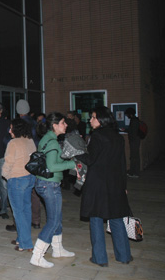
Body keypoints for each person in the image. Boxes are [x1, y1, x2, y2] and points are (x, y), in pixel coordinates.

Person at [76, 106, 133, 267]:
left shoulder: (97, 136)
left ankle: (99, 258)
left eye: (93, 117)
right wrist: (124, 185)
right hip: (115, 183)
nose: (91, 120)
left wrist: (76, 152)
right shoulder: (118, 137)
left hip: (98, 184)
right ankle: (124, 256)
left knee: (96, 218)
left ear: (101, 119)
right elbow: (122, 164)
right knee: (116, 218)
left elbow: (90, 159)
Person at [31, 112, 77, 268]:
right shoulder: (51, 142)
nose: (66, 125)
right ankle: (37, 256)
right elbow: (52, 166)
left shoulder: (46, 139)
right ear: (55, 125)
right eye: (63, 122)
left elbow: (51, 160)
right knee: (53, 221)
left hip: (45, 183)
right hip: (49, 184)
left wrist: (66, 159)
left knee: (56, 217)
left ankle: (57, 249)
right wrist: (72, 165)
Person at [2, 118, 37, 252]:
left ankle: (26, 244)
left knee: (18, 212)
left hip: (16, 179)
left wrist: (5, 175)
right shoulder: (30, 141)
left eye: (11, 128)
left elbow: (9, 162)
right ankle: (21, 238)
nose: (9, 131)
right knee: (26, 210)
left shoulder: (14, 143)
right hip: (29, 178)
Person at [16, 99, 42, 230]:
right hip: (35, 158)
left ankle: (22, 221)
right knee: (34, 191)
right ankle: (36, 221)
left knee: (21, 191)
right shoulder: (35, 123)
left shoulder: (19, 124)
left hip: (22, 160)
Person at [125, 107, 141, 178]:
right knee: (135, 156)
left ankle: (134, 172)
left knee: (134, 156)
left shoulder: (133, 121)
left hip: (134, 141)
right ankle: (134, 171)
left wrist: (126, 130)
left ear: (130, 114)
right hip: (136, 141)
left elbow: (132, 132)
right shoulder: (136, 120)